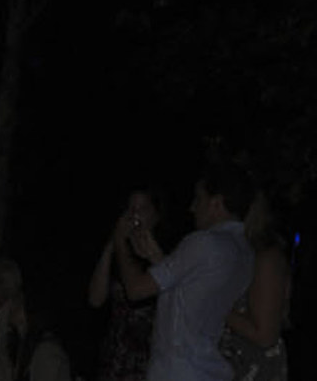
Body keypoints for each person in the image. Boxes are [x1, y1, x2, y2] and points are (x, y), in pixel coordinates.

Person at [113, 161, 254, 381]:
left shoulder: (205, 242)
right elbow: (189, 293)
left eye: (198, 199)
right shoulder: (244, 252)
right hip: (207, 370)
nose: (192, 208)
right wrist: (156, 257)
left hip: (179, 370)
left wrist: (120, 241)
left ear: (216, 203)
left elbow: (135, 289)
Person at [88, 189, 164, 381]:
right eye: (131, 209)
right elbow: (95, 299)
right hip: (114, 358)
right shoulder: (120, 255)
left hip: (146, 362)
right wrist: (114, 243)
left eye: (142, 208)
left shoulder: (163, 255)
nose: (135, 215)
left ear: (156, 215)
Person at [219, 191, 291, 381]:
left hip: (254, 368)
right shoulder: (238, 253)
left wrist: (214, 302)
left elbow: (264, 334)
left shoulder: (266, 258)